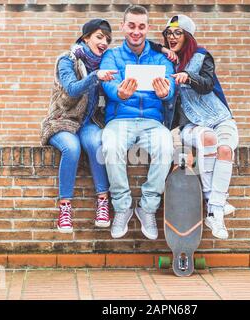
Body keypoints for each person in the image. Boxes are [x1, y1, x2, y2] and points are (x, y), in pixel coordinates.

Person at [99, 5, 176, 240]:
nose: (136, 31)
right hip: (120, 120)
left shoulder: (160, 57)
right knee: (110, 147)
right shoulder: (111, 56)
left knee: (166, 147)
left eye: (141, 26)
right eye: (131, 26)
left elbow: (171, 86)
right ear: (123, 26)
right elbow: (108, 83)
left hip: (152, 121)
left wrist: (166, 93)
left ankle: (147, 208)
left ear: (148, 28)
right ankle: (122, 208)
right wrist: (118, 93)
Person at [162, 14, 239, 239]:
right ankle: (216, 204)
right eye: (168, 33)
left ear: (188, 36)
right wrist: (161, 49)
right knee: (208, 140)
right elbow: (147, 45)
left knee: (225, 150)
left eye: (178, 32)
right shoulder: (165, 61)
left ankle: (214, 211)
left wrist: (188, 77)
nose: (172, 37)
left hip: (219, 117)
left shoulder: (201, 56)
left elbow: (206, 85)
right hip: (191, 125)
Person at [40, 19, 118, 233]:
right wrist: (95, 77)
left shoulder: (104, 64)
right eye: (99, 37)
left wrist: (163, 48)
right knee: (71, 148)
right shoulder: (67, 60)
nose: (104, 42)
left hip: (89, 122)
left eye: (108, 39)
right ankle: (64, 208)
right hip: (61, 121)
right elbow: (72, 89)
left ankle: (103, 201)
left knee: (96, 144)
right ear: (86, 37)